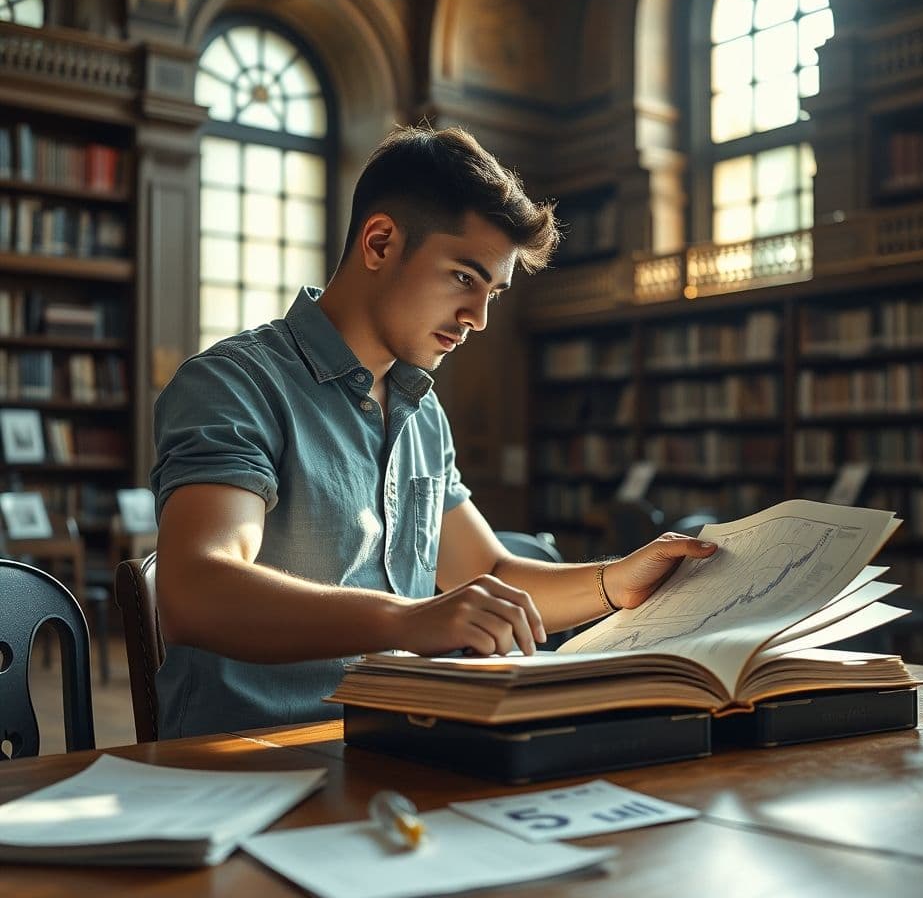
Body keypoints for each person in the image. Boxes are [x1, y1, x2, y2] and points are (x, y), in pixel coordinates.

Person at [151, 124, 717, 738]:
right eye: (463, 277)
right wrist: (407, 619)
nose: (478, 318)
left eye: (492, 292)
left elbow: (489, 572)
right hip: (249, 755)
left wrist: (617, 581)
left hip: (399, 744)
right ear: (380, 243)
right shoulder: (234, 384)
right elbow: (195, 591)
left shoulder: (422, 410)